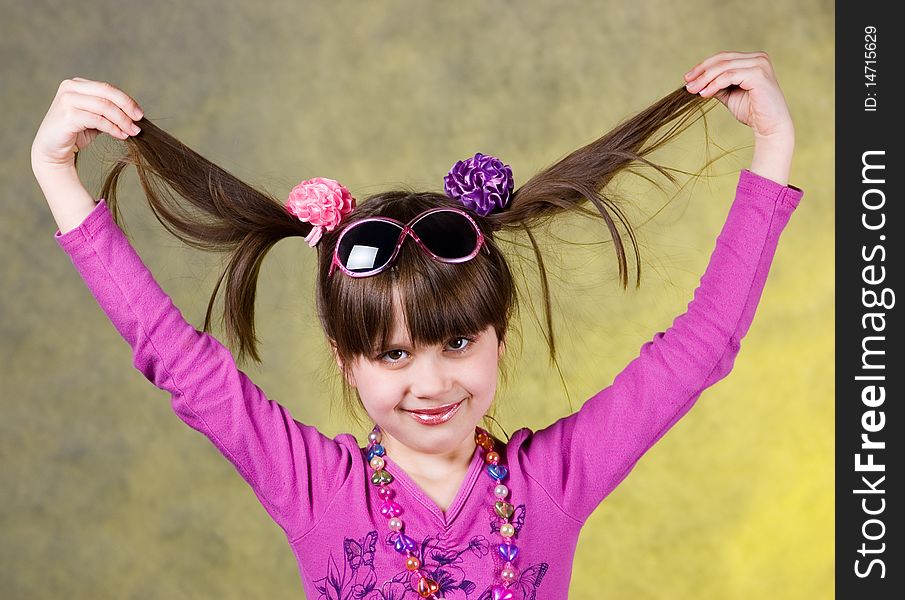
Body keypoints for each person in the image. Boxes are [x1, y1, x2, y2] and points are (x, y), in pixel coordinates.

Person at [32, 50, 802, 599]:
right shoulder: (312, 489)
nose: (430, 382)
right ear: (345, 359)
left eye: (457, 342)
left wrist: (772, 146)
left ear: (499, 333)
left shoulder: (554, 483)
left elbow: (699, 349)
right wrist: (56, 176)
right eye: (392, 353)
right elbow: (178, 359)